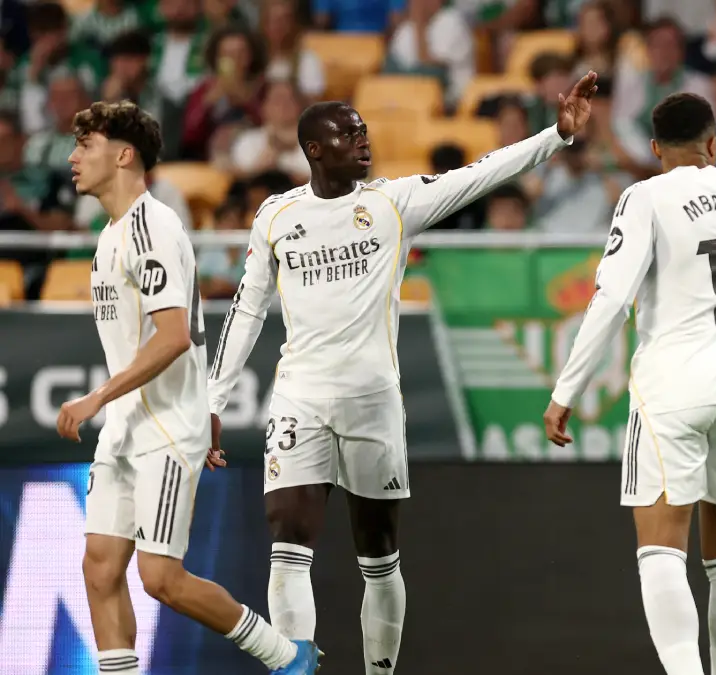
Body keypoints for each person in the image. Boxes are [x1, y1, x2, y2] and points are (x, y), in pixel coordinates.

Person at [206, 72, 599, 675]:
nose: (363, 141)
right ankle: (294, 667)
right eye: (349, 134)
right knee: (287, 543)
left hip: (373, 401)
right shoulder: (277, 215)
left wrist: (556, 136)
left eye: (364, 131)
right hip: (299, 398)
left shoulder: (393, 203)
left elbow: (480, 174)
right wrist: (214, 399)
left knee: (378, 555)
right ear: (314, 149)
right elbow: (246, 308)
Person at [544, 30, 716, 675]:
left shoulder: (647, 196)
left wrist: (566, 390)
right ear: (713, 145)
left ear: (656, 149)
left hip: (672, 391)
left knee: (661, 550)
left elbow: (610, 298)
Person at [55, 100, 320, 675]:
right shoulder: (110, 235)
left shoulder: (151, 226)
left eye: (86, 145)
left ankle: (286, 655)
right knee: (99, 568)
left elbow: (174, 335)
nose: (73, 158)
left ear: (123, 155)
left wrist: (98, 396)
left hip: (166, 429)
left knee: (160, 578)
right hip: (127, 426)